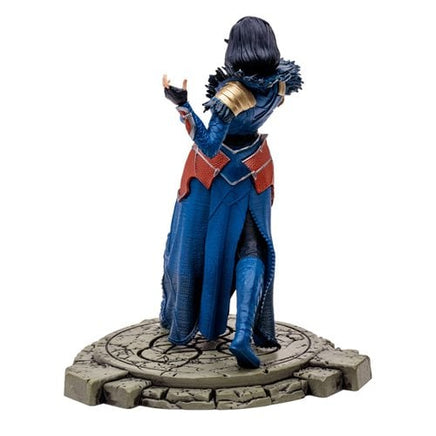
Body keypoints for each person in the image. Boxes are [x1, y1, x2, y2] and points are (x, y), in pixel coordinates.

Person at [160, 16, 302, 368]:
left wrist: (182, 106)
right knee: (253, 246)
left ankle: (206, 326)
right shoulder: (279, 83)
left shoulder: (232, 94)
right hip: (256, 167)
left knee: (196, 250)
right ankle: (243, 334)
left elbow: (209, 146)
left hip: (217, 174)